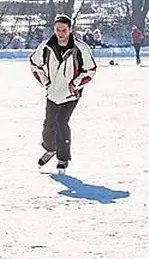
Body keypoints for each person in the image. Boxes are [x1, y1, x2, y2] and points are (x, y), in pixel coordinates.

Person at [29, 15, 98, 172]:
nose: (60, 33)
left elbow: (91, 69)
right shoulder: (46, 46)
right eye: (58, 30)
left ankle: (62, 159)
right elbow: (34, 63)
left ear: (70, 29)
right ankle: (50, 148)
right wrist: (46, 82)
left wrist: (75, 84)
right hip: (53, 92)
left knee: (61, 122)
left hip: (71, 94)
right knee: (48, 125)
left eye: (64, 30)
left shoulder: (80, 48)